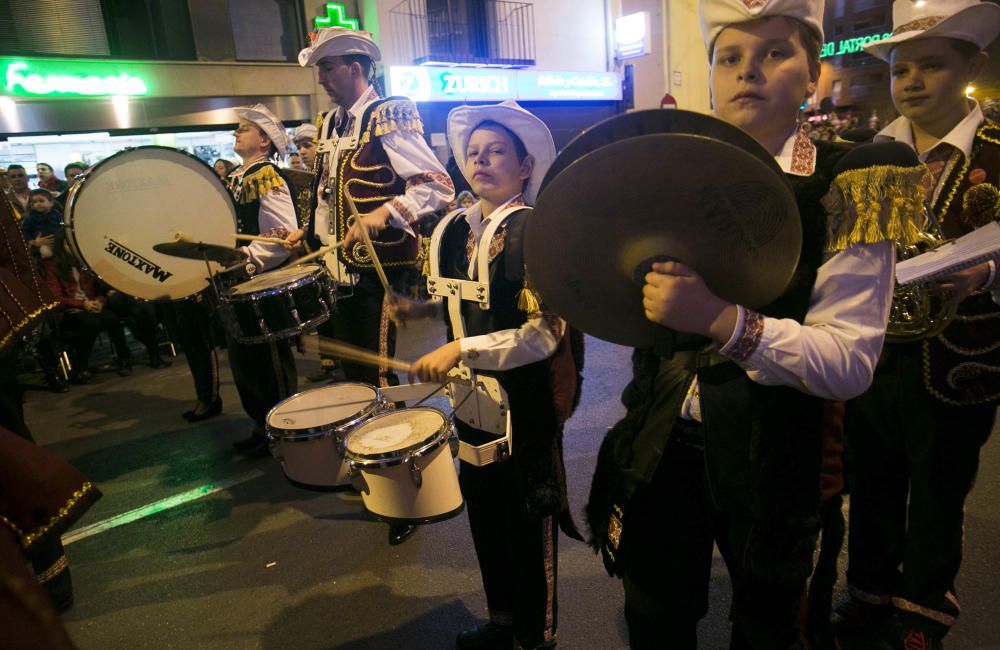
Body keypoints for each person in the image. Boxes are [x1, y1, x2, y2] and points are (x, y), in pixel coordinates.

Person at [584, 1, 928, 647]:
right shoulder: (674, 170)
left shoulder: (847, 178)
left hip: (781, 456)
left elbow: (848, 362)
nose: (749, 72)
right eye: (730, 58)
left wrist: (718, 319)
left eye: (775, 53)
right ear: (711, 75)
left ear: (812, 75)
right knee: (654, 617)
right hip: (663, 443)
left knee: (771, 630)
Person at [832, 3, 1000, 649]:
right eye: (902, 69)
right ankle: (868, 594)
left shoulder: (997, 151)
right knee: (872, 477)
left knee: (939, 486)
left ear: (973, 66)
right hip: (874, 352)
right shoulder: (875, 154)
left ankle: (924, 608)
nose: (913, 82)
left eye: (933, 65)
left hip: (959, 356)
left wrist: (982, 277)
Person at [394, 101, 581, 649]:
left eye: (497, 151)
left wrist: (460, 348)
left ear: (525, 166)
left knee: (528, 520)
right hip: (471, 402)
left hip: (525, 405)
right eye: (473, 153)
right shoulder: (457, 230)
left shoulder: (536, 233)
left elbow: (544, 333)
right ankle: (502, 622)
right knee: (486, 516)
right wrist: (423, 314)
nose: (481, 161)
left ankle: (535, 635)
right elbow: (464, 306)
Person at [297, 27, 454, 546]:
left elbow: (436, 186)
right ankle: (372, 466)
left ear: (357, 68)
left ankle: (405, 492)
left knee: (385, 384)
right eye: (319, 68)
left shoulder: (389, 113)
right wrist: (307, 233)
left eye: (329, 67)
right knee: (357, 379)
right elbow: (326, 197)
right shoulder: (329, 124)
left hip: (379, 275)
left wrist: (387, 212)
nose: (321, 78)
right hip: (339, 272)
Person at [224, 103, 300, 455]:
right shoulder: (240, 177)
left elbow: (281, 237)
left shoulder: (267, 176)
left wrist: (246, 260)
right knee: (244, 359)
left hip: (260, 283)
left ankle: (284, 426)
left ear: (265, 142)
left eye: (243, 129)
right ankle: (262, 422)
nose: (235, 133)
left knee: (268, 360)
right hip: (237, 283)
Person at [43, 229, 134, 382]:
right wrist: (82, 304)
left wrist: (100, 301)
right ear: (61, 245)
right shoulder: (54, 267)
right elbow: (56, 298)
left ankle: (124, 359)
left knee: (112, 318)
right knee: (92, 323)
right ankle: (81, 367)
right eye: (68, 244)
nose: (72, 247)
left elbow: (102, 289)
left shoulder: (86, 262)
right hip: (70, 312)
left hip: (91, 306)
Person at [21, 189, 62, 261]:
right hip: (42, 243)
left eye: (41, 201)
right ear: (32, 205)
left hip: (59, 240)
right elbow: (25, 231)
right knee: (46, 254)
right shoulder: (31, 217)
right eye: (34, 202)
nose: (38, 204)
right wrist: (32, 241)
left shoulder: (57, 214)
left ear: (51, 203)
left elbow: (63, 224)